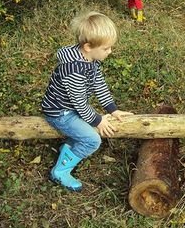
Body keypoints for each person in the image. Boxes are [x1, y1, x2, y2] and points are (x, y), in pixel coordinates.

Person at [41, 11, 133, 191]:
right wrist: (98, 121)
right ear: (88, 46)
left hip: (71, 108)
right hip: (60, 113)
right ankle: (60, 172)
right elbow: (79, 103)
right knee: (92, 140)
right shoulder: (74, 70)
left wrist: (112, 109)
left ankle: (68, 147)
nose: (110, 52)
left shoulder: (90, 60)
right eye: (106, 49)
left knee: (88, 128)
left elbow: (99, 85)